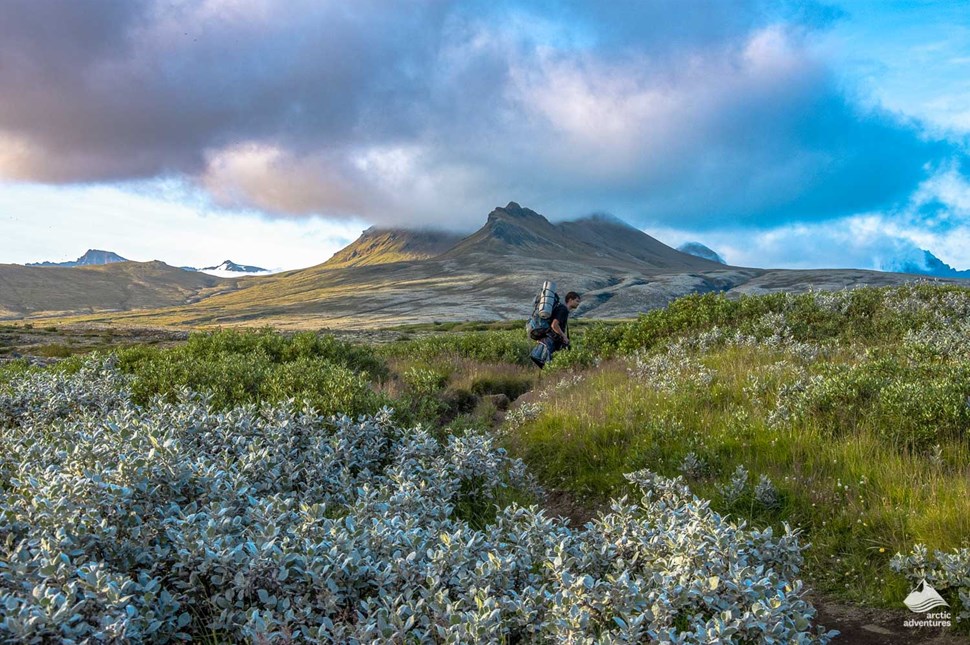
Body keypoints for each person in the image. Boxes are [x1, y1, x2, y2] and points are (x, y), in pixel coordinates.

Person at [530, 291, 581, 368]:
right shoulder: (563, 310)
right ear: (570, 300)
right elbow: (554, 325)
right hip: (550, 340)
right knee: (546, 364)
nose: (578, 303)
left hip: (548, 338)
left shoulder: (560, 308)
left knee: (544, 364)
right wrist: (564, 337)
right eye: (577, 301)